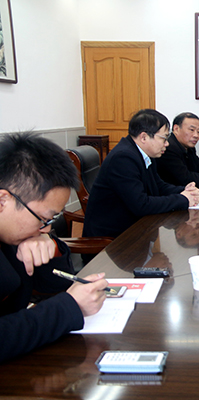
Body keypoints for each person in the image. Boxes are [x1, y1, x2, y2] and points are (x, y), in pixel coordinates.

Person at [0, 132, 107, 363]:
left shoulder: (15, 233)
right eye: (43, 218)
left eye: (50, 221)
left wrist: (48, 244)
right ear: (3, 201)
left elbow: (52, 286)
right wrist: (69, 308)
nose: (47, 228)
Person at [83, 109, 199, 240]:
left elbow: (159, 186)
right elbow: (141, 205)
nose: (167, 144)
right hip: (112, 239)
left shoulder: (144, 154)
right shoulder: (123, 158)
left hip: (134, 228)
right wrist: (183, 199)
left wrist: (185, 191)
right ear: (144, 137)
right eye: (164, 138)